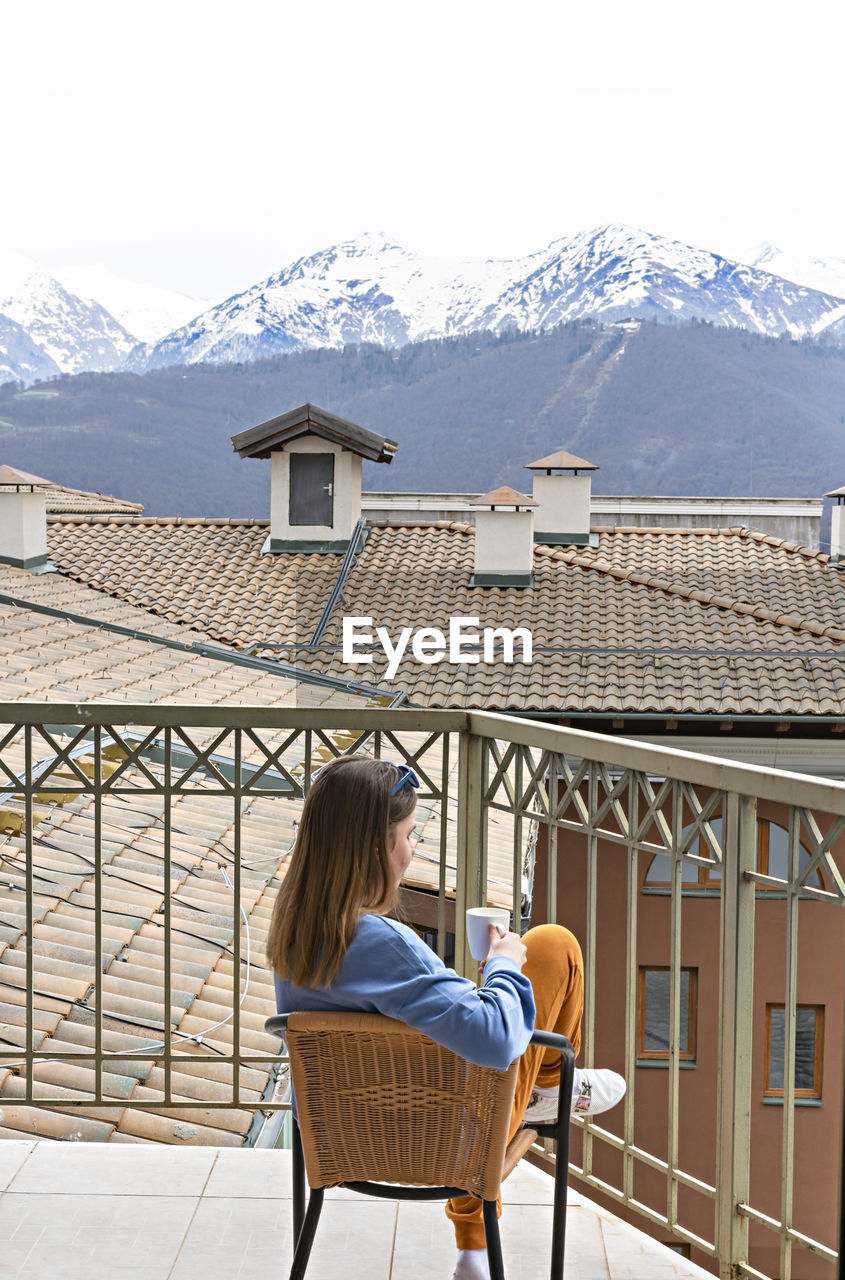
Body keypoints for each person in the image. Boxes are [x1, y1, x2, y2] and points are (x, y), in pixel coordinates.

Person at [267, 756, 625, 1280]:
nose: (412, 852)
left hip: (341, 1137)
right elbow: (496, 1040)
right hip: (442, 1137)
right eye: (409, 835)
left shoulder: (295, 934)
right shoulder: (380, 943)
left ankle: (485, 1228)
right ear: (377, 849)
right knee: (552, 945)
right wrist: (503, 965)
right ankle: (550, 1088)